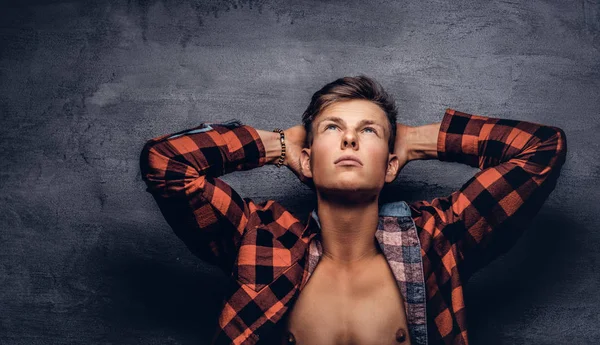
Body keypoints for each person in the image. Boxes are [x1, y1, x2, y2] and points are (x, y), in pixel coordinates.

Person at [139, 76, 567, 345]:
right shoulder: (260, 237)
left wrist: (418, 139)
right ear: (307, 160)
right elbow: (167, 163)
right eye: (332, 128)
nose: (349, 140)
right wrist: (279, 145)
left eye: (369, 131)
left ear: (391, 163)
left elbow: (541, 150)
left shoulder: (438, 238)